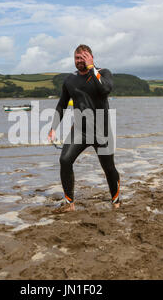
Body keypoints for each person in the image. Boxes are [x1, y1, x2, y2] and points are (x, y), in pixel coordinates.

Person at [48, 44, 120, 213]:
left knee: (108, 168)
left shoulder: (104, 73)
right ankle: (69, 203)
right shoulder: (69, 80)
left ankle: (116, 201)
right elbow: (62, 105)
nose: (79, 61)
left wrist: (91, 68)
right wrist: (53, 128)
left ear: (91, 58)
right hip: (80, 130)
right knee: (65, 160)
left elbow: (105, 89)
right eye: (77, 58)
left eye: (83, 57)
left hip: (101, 130)